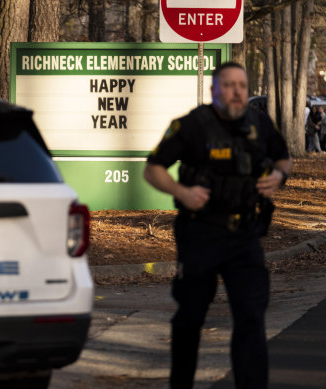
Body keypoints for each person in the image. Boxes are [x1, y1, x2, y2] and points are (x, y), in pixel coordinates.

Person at [143, 62, 292, 389]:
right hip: (201, 234)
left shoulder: (258, 123)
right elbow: (153, 169)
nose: (237, 91)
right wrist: (181, 191)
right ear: (214, 90)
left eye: (242, 84)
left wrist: (278, 177)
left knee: (252, 315)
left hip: (245, 235)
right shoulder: (191, 126)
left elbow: (284, 158)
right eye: (229, 85)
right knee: (191, 316)